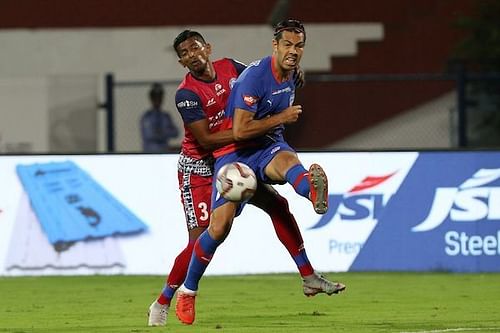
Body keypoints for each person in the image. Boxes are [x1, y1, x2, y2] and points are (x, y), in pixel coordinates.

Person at [148, 29, 343, 326]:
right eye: (185, 54)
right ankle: (164, 300)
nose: (193, 55)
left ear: (207, 48)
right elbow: (207, 140)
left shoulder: (232, 68)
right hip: (201, 167)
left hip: (239, 156)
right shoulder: (186, 94)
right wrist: (258, 126)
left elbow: (261, 76)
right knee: (204, 236)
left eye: (196, 48)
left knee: (277, 206)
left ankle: (308, 276)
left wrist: (291, 69)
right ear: (181, 62)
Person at [140, 83, 179, 152]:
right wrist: (164, 133)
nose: (157, 100)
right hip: (150, 151)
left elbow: (175, 133)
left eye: (159, 97)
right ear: (151, 99)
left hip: (164, 150)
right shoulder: (146, 117)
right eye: (155, 98)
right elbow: (149, 135)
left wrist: (163, 133)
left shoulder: (166, 116)